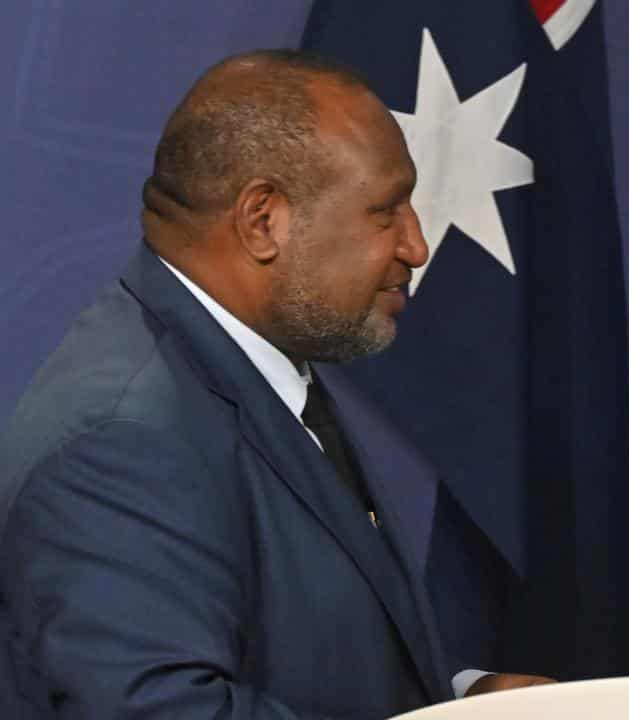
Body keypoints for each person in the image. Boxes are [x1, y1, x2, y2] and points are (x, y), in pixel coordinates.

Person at [0, 50, 549, 718]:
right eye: (386, 210)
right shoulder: (121, 439)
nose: (415, 246)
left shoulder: (263, 367)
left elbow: (310, 650)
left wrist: (466, 702)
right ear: (264, 221)